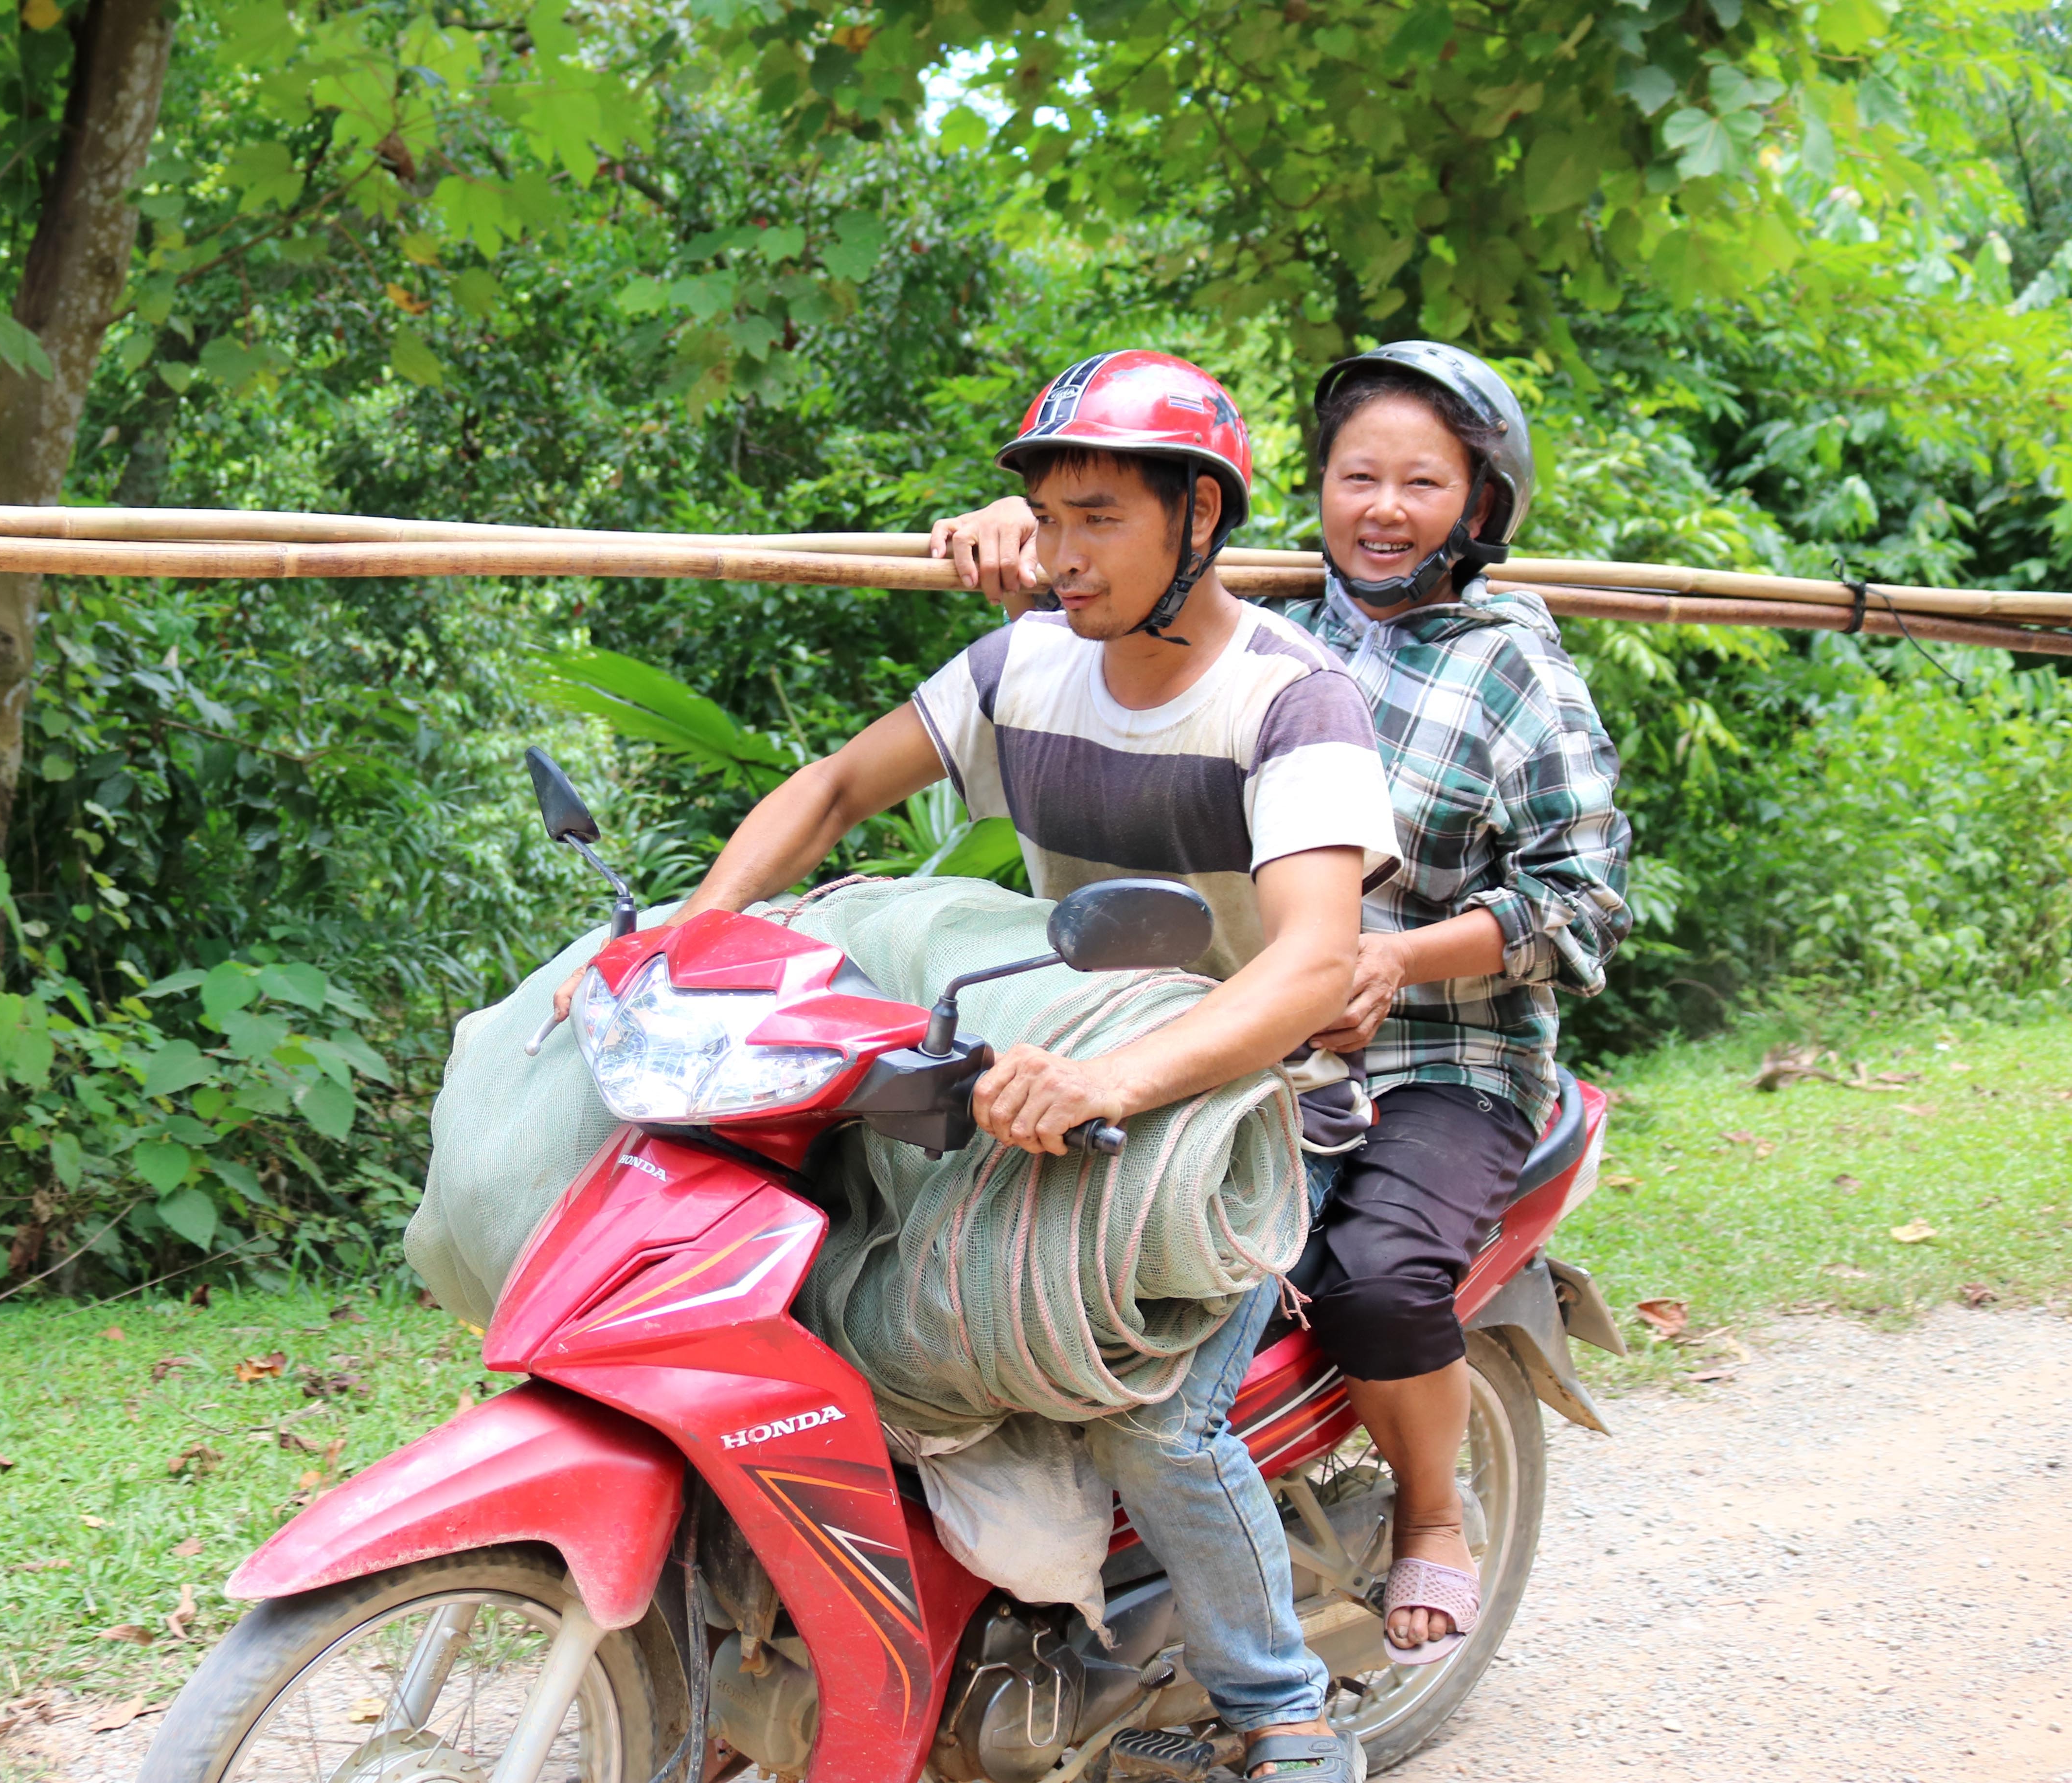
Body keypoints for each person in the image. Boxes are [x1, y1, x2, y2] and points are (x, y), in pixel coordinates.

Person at [555, 349, 1395, 1781]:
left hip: (1241, 1122)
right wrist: (686, 940)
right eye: (1047, 519)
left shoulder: (1292, 701)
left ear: (1200, 519)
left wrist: (1116, 1083)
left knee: (1153, 1416)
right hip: (1026, 1080)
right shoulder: (1023, 665)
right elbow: (830, 790)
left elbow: (1314, 963)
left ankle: (1286, 1711)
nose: (1061, 557)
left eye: (1098, 520)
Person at [928, 342, 1633, 1668]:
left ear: (1482, 506)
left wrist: (1399, 959)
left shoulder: (1516, 673)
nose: (1381, 507)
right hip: (1246, 1036)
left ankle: (1434, 1512)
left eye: (1421, 483)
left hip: (1446, 1053)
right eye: (1355, 475)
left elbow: (1586, 901)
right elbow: (1134, 560)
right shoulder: (1274, 622)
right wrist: (1036, 527)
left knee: (1373, 1279)